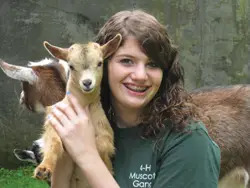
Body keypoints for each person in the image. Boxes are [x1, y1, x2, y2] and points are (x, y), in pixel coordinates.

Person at [48, 10, 221, 188]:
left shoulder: (189, 142)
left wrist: (87, 155)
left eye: (153, 64)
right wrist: (67, 150)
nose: (140, 75)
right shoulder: (84, 126)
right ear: (102, 65)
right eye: (127, 61)